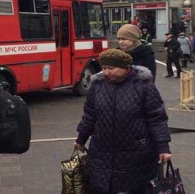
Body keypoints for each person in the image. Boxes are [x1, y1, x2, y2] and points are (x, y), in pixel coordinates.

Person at [74, 49, 172, 194]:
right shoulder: (97, 86)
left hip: (136, 155)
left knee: (133, 189)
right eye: (104, 68)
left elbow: (157, 119)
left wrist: (163, 147)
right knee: (102, 187)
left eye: (111, 68)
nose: (106, 72)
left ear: (126, 68)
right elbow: (90, 115)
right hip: (102, 153)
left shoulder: (144, 87)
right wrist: (81, 139)